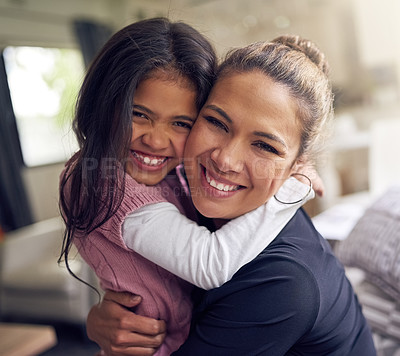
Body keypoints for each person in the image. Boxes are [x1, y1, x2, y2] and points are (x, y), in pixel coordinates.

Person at [86, 35, 377, 355]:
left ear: (297, 165)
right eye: (215, 122)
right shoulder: (187, 190)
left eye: (265, 146)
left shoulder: (281, 284)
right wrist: (103, 321)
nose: (225, 159)